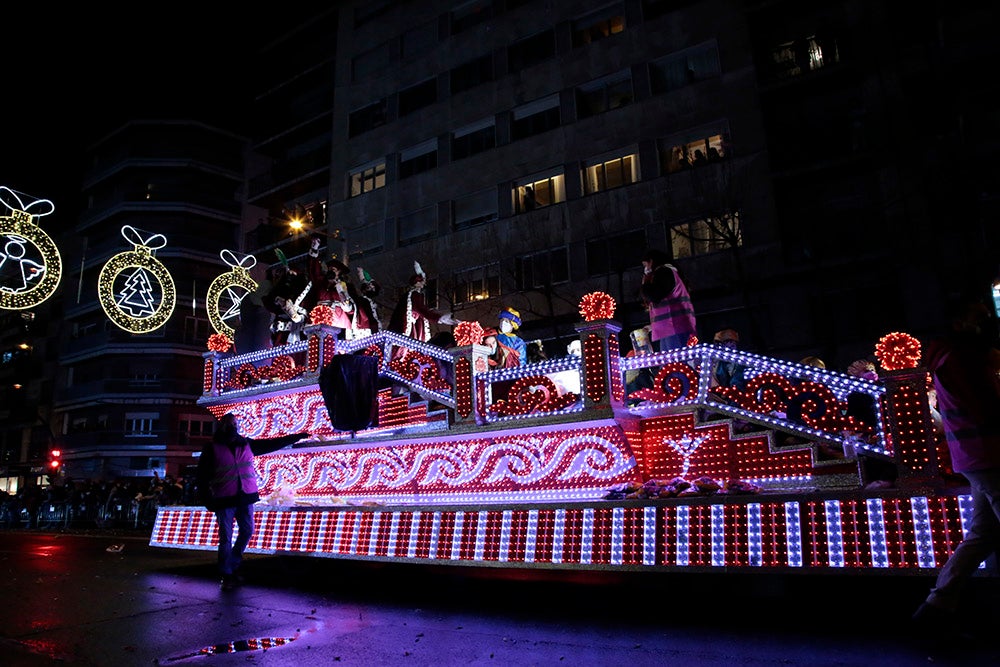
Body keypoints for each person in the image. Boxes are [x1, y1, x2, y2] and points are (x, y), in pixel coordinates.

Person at [911, 295, 1000, 639]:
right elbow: (986, 406)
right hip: (988, 453)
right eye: (978, 316)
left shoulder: (955, 357)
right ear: (959, 322)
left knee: (982, 535)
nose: (986, 322)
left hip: (977, 454)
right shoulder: (961, 359)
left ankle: (937, 606)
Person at [197, 412, 310, 590]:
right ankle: (226, 574)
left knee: (248, 531)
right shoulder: (212, 448)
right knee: (225, 538)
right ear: (223, 425)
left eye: (234, 423)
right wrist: (207, 499)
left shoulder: (246, 444)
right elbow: (201, 477)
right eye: (229, 423)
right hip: (224, 499)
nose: (233, 426)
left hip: (245, 497)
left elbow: (273, 444)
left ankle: (232, 565)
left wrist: (296, 437)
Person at [639, 249, 697, 352]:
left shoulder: (664, 272)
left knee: (674, 364)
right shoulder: (670, 273)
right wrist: (653, 326)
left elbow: (654, 295)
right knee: (673, 364)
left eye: (646, 265)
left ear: (652, 262)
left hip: (674, 328)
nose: (646, 269)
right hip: (674, 328)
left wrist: (645, 284)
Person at [388, 261, 458, 343]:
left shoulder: (413, 295)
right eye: (422, 281)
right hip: (409, 327)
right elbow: (421, 309)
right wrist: (438, 318)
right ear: (417, 282)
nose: (424, 283)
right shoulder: (414, 294)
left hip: (414, 325)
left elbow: (421, 310)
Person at [307, 235, 354, 337]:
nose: (331, 270)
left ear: (339, 272)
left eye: (334, 269)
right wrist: (314, 249)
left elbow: (350, 306)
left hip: (338, 318)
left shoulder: (344, 285)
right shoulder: (320, 282)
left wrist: (340, 290)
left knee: (337, 345)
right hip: (319, 317)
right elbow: (313, 270)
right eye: (329, 269)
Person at [265, 258, 311, 346]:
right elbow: (269, 305)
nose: (290, 276)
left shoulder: (304, 293)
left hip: (296, 336)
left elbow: (304, 315)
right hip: (279, 335)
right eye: (288, 274)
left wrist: (294, 313)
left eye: (293, 273)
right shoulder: (278, 291)